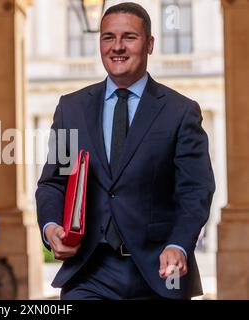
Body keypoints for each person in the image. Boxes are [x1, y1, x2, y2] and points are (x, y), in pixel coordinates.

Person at [36, 2, 215, 300]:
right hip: (89, 272)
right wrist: (52, 227)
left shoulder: (180, 112)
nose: (117, 47)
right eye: (108, 37)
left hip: (158, 273)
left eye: (129, 37)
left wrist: (179, 244)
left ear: (150, 44)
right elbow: (55, 181)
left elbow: (195, 190)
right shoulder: (72, 109)